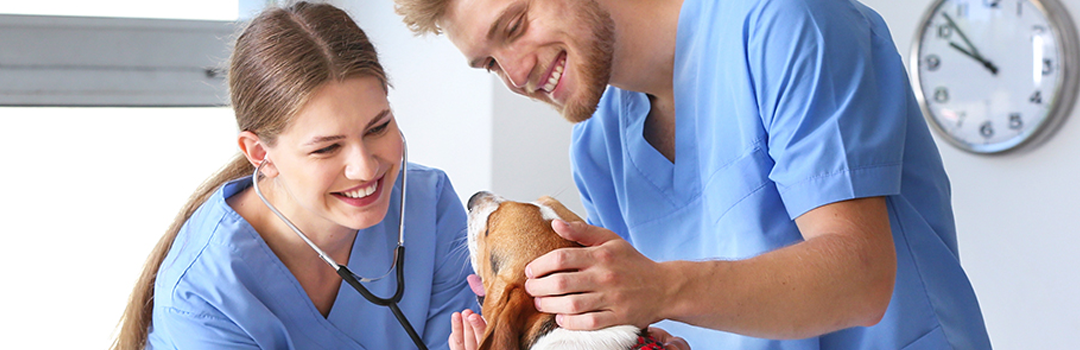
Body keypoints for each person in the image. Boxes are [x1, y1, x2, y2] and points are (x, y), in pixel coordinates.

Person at [394, 0, 992, 348]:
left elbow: (861, 278)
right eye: (489, 63)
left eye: (515, 25)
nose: (517, 74)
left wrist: (660, 288)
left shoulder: (785, 22)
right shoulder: (600, 145)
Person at [110, 2, 477, 349]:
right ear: (260, 154)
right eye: (327, 148)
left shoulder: (428, 207)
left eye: (378, 127)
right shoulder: (205, 296)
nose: (365, 168)